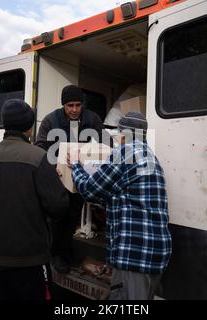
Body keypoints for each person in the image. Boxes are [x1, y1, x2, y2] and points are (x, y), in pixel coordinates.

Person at [69, 112, 172, 300]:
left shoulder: (125, 152)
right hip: (155, 255)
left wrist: (75, 165)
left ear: (124, 133)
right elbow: (119, 195)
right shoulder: (150, 157)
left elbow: (89, 190)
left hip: (134, 255)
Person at [0, 99, 69, 300]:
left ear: (5, 124)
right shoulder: (38, 157)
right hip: (30, 260)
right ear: (29, 126)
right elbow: (58, 205)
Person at [35, 85, 104, 274]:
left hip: (80, 178)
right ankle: (56, 254)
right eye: (69, 105)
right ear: (63, 105)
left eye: (78, 105)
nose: (74, 110)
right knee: (57, 216)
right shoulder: (50, 120)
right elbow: (40, 147)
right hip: (57, 177)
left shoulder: (93, 119)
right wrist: (53, 167)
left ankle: (66, 252)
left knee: (73, 216)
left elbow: (104, 145)